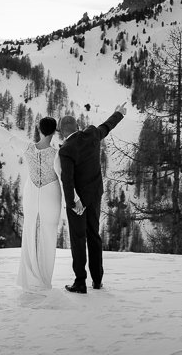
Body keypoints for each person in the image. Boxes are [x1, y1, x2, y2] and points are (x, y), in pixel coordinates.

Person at [59, 103, 127, 294]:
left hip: (78, 201)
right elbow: (107, 126)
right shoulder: (91, 134)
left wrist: (74, 203)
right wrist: (119, 113)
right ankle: (97, 280)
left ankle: (80, 282)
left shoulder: (66, 150)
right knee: (94, 236)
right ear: (78, 126)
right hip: (94, 195)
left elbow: (67, 180)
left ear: (63, 132)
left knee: (78, 238)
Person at [16, 116, 67, 292]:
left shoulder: (28, 147)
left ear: (39, 129)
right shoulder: (56, 154)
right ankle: (43, 278)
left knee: (30, 231)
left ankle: (30, 277)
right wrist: (75, 199)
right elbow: (64, 178)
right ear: (54, 131)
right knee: (47, 234)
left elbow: (7, 136)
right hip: (50, 194)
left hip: (31, 193)